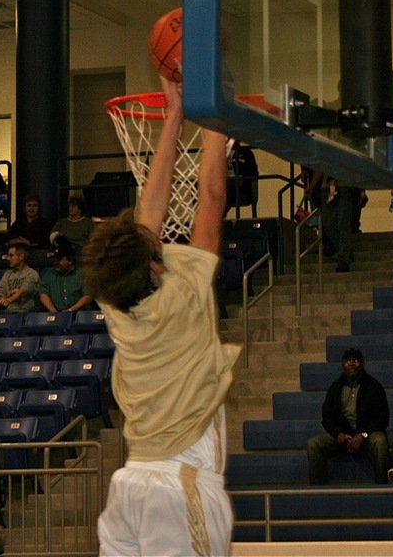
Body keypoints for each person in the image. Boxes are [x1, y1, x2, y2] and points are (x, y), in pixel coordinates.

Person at [80, 74, 239, 556]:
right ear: (154, 267)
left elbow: (152, 216)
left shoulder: (114, 303)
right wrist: (210, 118)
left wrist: (172, 116)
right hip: (180, 482)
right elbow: (209, 200)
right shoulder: (182, 298)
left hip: (131, 484)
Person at [306, 347, 390, 485]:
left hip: (366, 435)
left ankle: (382, 486)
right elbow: (327, 417)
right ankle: (318, 491)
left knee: (380, 441)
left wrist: (363, 435)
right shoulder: (335, 387)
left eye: (356, 360)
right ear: (342, 365)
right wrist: (337, 433)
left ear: (362, 364)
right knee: (313, 444)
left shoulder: (374, 386)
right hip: (343, 436)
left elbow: (383, 418)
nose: (351, 363)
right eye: (348, 360)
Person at [38, 237, 92, 313]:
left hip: (79, 314)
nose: (55, 263)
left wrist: (70, 310)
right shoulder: (49, 273)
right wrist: (53, 311)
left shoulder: (83, 274)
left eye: (58, 260)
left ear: (70, 260)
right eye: (54, 260)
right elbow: (43, 295)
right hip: (55, 313)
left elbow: (88, 296)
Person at [0, 244, 40, 313]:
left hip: (25, 310)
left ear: (21, 257)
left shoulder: (31, 273)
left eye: (11, 255)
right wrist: (2, 300)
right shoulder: (7, 274)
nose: (8, 259)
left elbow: (23, 291)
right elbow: (1, 291)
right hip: (7, 310)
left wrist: (9, 300)